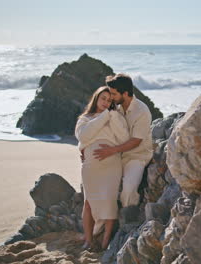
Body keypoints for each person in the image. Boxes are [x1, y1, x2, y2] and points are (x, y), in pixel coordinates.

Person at [74, 86, 129, 251]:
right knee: (89, 203)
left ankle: (105, 241)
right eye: (103, 98)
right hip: (91, 167)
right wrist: (104, 115)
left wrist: (111, 115)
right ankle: (89, 240)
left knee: (109, 201)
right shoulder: (85, 118)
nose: (106, 102)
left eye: (109, 100)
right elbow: (83, 136)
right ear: (96, 98)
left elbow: (123, 137)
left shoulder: (115, 117)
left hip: (112, 165)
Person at [94, 74, 153, 208]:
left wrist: (111, 151)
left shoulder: (142, 111)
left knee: (128, 189)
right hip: (117, 154)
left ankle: (128, 219)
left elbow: (136, 141)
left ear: (125, 93)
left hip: (137, 156)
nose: (111, 97)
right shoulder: (115, 107)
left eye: (114, 94)